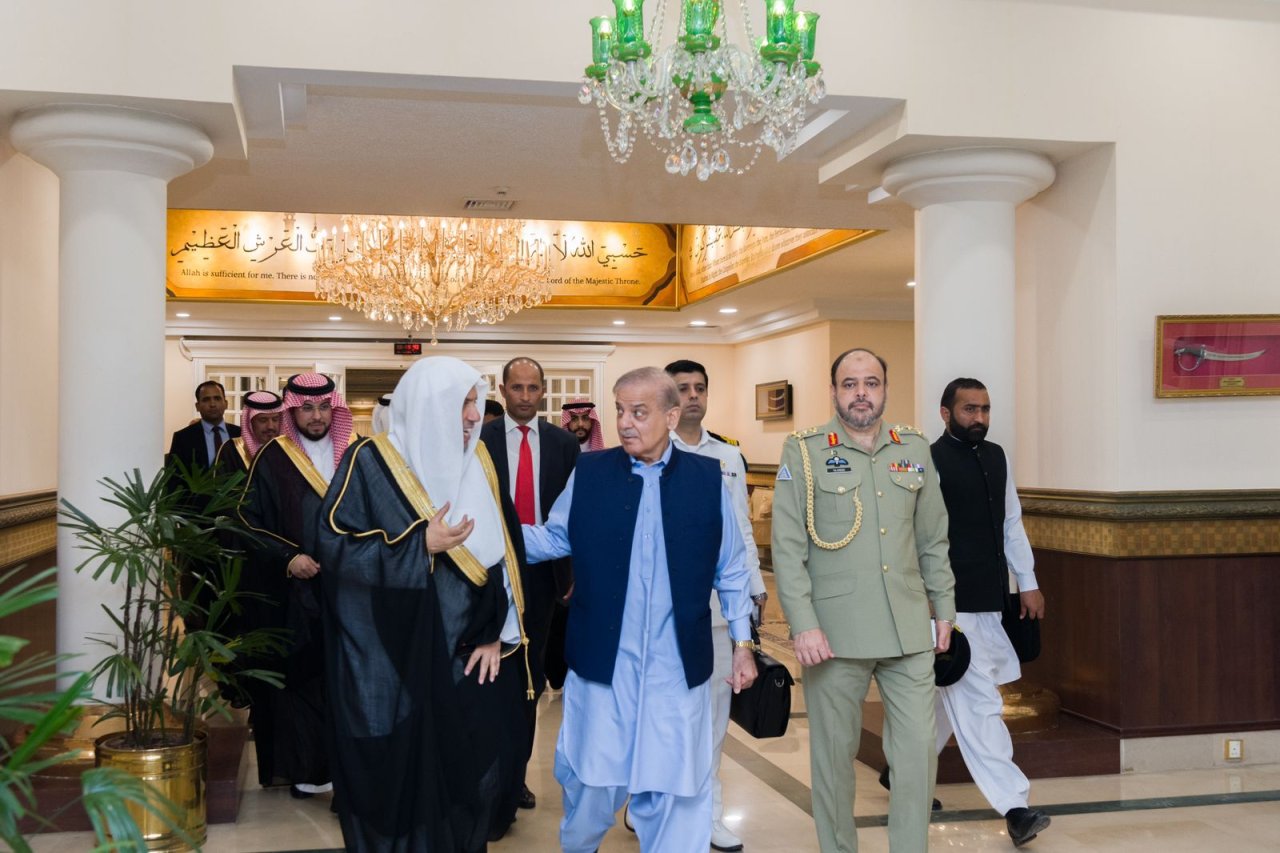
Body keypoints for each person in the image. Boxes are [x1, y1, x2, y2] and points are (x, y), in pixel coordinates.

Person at [523, 366, 758, 853]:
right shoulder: (590, 474)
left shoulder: (705, 478)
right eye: (621, 411)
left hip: (676, 667)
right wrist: (490, 534)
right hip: (604, 663)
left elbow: (731, 568)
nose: (626, 423)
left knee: (676, 787)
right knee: (590, 786)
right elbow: (554, 537)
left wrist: (742, 644)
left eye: (639, 412)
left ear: (671, 416)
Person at [317, 356, 532, 853]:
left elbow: (503, 555)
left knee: (476, 769)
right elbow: (331, 543)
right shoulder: (370, 462)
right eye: (466, 404)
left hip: (472, 654)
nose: (476, 416)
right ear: (435, 407)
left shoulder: (479, 460)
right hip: (396, 655)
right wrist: (419, 547)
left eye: (476, 403)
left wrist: (494, 633)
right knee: (404, 776)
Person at [771, 348, 955, 853]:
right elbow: (787, 547)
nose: (860, 393)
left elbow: (932, 538)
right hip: (834, 633)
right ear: (833, 392)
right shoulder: (804, 451)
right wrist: (802, 623)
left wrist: (945, 609)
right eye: (849, 384)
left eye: (870, 383)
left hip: (908, 626)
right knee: (834, 759)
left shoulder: (913, 447)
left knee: (917, 754)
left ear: (884, 390)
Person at [930, 377, 1049, 847]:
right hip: (947, 604)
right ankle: (1015, 806)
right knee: (979, 701)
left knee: (945, 698)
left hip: (992, 597)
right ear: (946, 414)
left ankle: (902, 773)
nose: (979, 418)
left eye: (985, 409)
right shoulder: (930, 460)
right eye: (968, 410)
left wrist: (1029, 583)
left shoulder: (996, 455)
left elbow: (1010, 521)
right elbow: (922, 537)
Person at [665, 359, 767, 853]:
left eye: (699, 388)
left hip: (720, 607)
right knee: (666, 715)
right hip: (663, 610)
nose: (692, 396)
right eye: (682, 389)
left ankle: (709, 813)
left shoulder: (728, 455)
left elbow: (742, 527)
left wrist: (753, 587)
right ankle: (655, 804)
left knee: (712, 715)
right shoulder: (649, 451)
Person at [237, 372, 354, 798]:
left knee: (346, 678)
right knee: (303, 681)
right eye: (307, 408)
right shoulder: (273, 457)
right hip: (296, 595)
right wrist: (289, 557)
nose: (317, 416)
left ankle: (348, 766)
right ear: (292, 410)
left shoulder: (356, 454)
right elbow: (248, 522)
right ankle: (309, 769)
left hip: (350, 589)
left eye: (324, 407)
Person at [479, 356, 579, 832]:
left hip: (543, 578)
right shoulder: (480, 442)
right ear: (502, 389)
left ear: (544, 391)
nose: (523, 396)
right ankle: (487, 777)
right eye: (515, 387)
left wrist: (574, 574)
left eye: (532, 388)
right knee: (490, 680)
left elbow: (578, 517)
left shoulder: (564, 445)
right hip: (488, 577)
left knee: (530, 680)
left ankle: (515, 777)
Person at [168, 380, 241, 470]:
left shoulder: (240, 434)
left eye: (217, 398)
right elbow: (174, 477)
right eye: (206, 400)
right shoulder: (183, 438)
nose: (212, 404)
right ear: (197, 406)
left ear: (226, 404)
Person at [214, 390, 283, 478]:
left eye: (275, 419)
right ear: (250, 422)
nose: (270, 426)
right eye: (263, 420)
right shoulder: (232, 450)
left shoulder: (288, 449)